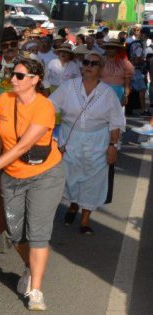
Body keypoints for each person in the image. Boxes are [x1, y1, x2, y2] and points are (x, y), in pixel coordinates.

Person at [0, 58, 65, 311]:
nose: (13, 79)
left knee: (37, 233)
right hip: (11, 175)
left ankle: (36, 290)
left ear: (35, 80)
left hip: (44, 175)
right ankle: (29, 267)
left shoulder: (44, 107)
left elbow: (24, 146)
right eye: (13, 74)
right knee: (14, 233)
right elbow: (1, 133)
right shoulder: (3, 101)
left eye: (20, 76)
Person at [49, 52, 125, 235]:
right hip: (70, 139)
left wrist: (113, 146)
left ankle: (85, 219)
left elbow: (116, 121)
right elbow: (49, 107)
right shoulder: (68, 87)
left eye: (94, 63)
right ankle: (73, 206)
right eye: (86, 62)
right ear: (81, 66)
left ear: (101, 69)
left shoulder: (107, 93)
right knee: (71, 177)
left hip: (97, 141)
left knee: (93, 181)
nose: (89, 65)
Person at [0, 27, 24, 96]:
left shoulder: (28, 59)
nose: (10, 48)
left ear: (17, 43)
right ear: (0, 47)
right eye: (5, 45)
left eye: (13, 44)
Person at [100, 39, 134, 108]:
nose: (109, 50)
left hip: (118, 93)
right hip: (101, 93)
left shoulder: (125, 63)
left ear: (117, 49)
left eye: (112, 48)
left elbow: (127, 82)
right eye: (108, 48)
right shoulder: (100, 62)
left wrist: (125, 95)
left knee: (116, 117)